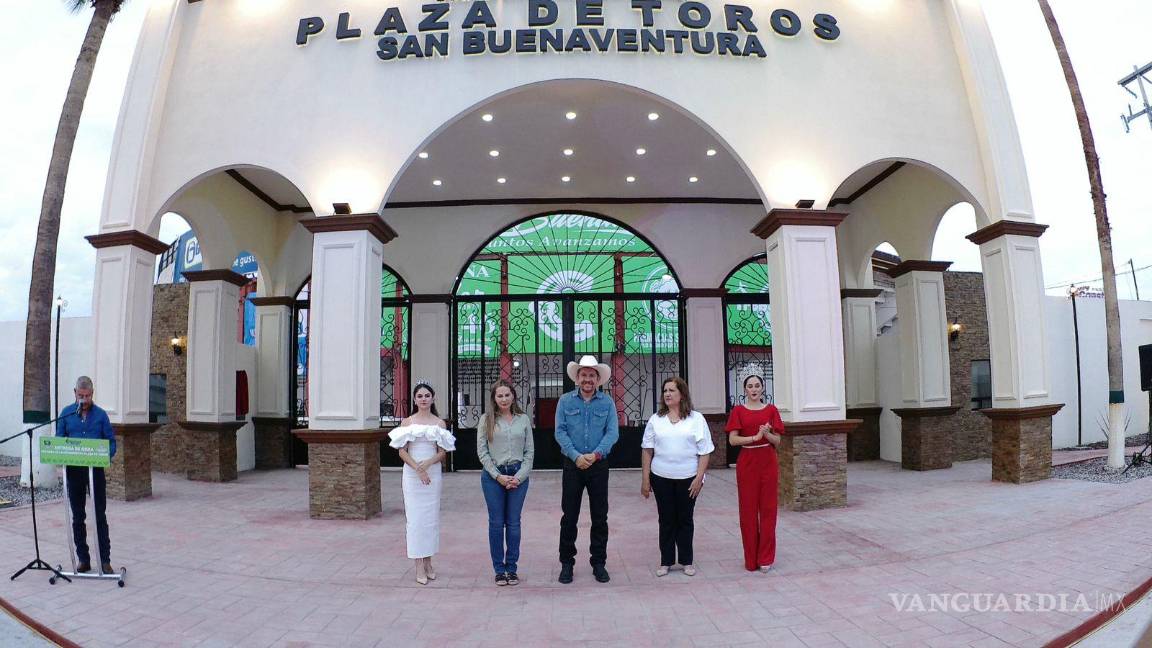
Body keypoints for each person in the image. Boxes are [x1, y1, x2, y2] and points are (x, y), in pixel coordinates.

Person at [554, 355, 619, 584]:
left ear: (598, 379)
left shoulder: (607, 403)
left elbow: (612, 433)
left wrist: (595, 454)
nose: (587, 379)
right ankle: (566, 563)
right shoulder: (565, 401)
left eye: (592, 375)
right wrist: (576, 456)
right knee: (569, 516)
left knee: (600, 517)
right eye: (584, 375)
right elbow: (560, 432)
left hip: (598, 465)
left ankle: (599, 563)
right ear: (577, 378)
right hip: (573, 465)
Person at [641, 377, 714, 577]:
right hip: (661, 477)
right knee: (666, 520)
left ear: (682, 394)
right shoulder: (656, 419)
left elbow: (705, 451)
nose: (667, 394)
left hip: (688, 478)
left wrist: (699, 478)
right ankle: (666, 561)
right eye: (665, 390)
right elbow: (647, 449)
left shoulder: (696, 419)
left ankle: (686, 561)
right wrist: (645, 479)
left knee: (685, 519)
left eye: (672, 390)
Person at [388, 382, 456, 585]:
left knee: (430, 520)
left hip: (432, 473)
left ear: (433, 398)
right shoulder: (407, 422)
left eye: (427, 395)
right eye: (420, 396)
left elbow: (442, 452)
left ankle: (428, 561)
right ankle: (418, 564)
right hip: (412, 474)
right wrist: (418, 468)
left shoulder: (439, 423)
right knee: (416, 520)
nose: (424, 399)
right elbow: (402, 450)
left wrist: (427, 464)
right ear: (415, 399)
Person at [55, 376, 116, 574]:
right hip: (74, 472)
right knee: (78, 516)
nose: (83, 399)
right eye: (80, 395)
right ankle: (83, 559)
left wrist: (103, 454)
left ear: (92, 394)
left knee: (99, 515)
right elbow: (59, 440)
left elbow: (111, 442)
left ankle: (105, 560)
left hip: (95, 472)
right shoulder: (66, 414)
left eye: (87, 396)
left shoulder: (101, 415)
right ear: (75, 393)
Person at [476, 380, 534, 586]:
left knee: (514, 523)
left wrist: (519, 476)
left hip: (518, 476)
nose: (503, 399)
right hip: (494, 478)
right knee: (496, 523)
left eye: (507, 395)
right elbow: (482, 452)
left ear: (513, 396)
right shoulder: (486, 420)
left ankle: (512, 568)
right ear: (494, 398)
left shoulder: (523, 419)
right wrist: (498, 476)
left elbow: (529, 452)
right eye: (499, 396)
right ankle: (499, 570)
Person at [725, 374, 784, 572]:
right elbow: (733, 440)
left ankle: (765, 557)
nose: (754, 389)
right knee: (748, 511)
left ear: (762, 388)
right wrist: (754, 437)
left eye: (757, 385)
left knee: (768, 510)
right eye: (750, 386)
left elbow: (778, 441)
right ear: (745, 390)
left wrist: (766, 434)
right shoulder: (738, 411)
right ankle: (751, 559)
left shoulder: (771, 410)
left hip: (768, 461)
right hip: (747, 463)